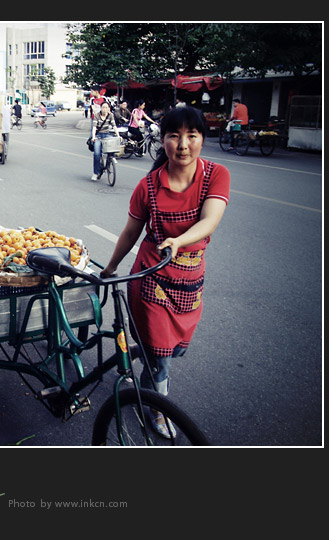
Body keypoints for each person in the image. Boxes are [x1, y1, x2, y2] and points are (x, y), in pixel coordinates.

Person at [99, 107, 230, 438]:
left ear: (202, 139)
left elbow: (210, 220)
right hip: (151, 280)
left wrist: (180, 240)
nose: (183, 144)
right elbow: (131, 233)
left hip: (190, 282)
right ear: (163, 139)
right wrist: (111, 268)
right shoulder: (148, 186)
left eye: (192, 135)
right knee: (161, 358)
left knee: (173, 350)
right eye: (174, 135)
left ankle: (140, 376)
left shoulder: (216, 175)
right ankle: (157, 410)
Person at [90, 101, 118, 180]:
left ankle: (111, 157)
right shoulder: (96, 116)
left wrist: (118, 135)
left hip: (107, 135)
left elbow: (114, 126)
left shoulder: (110, 115)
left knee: (113, 141)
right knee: (97, 154)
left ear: (109, 108)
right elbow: (94, 127)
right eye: (103, 107)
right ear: (101, 108)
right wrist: (93, 137)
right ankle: (96, 173)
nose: (105, 109)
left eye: (106, 107)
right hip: (98, 136)